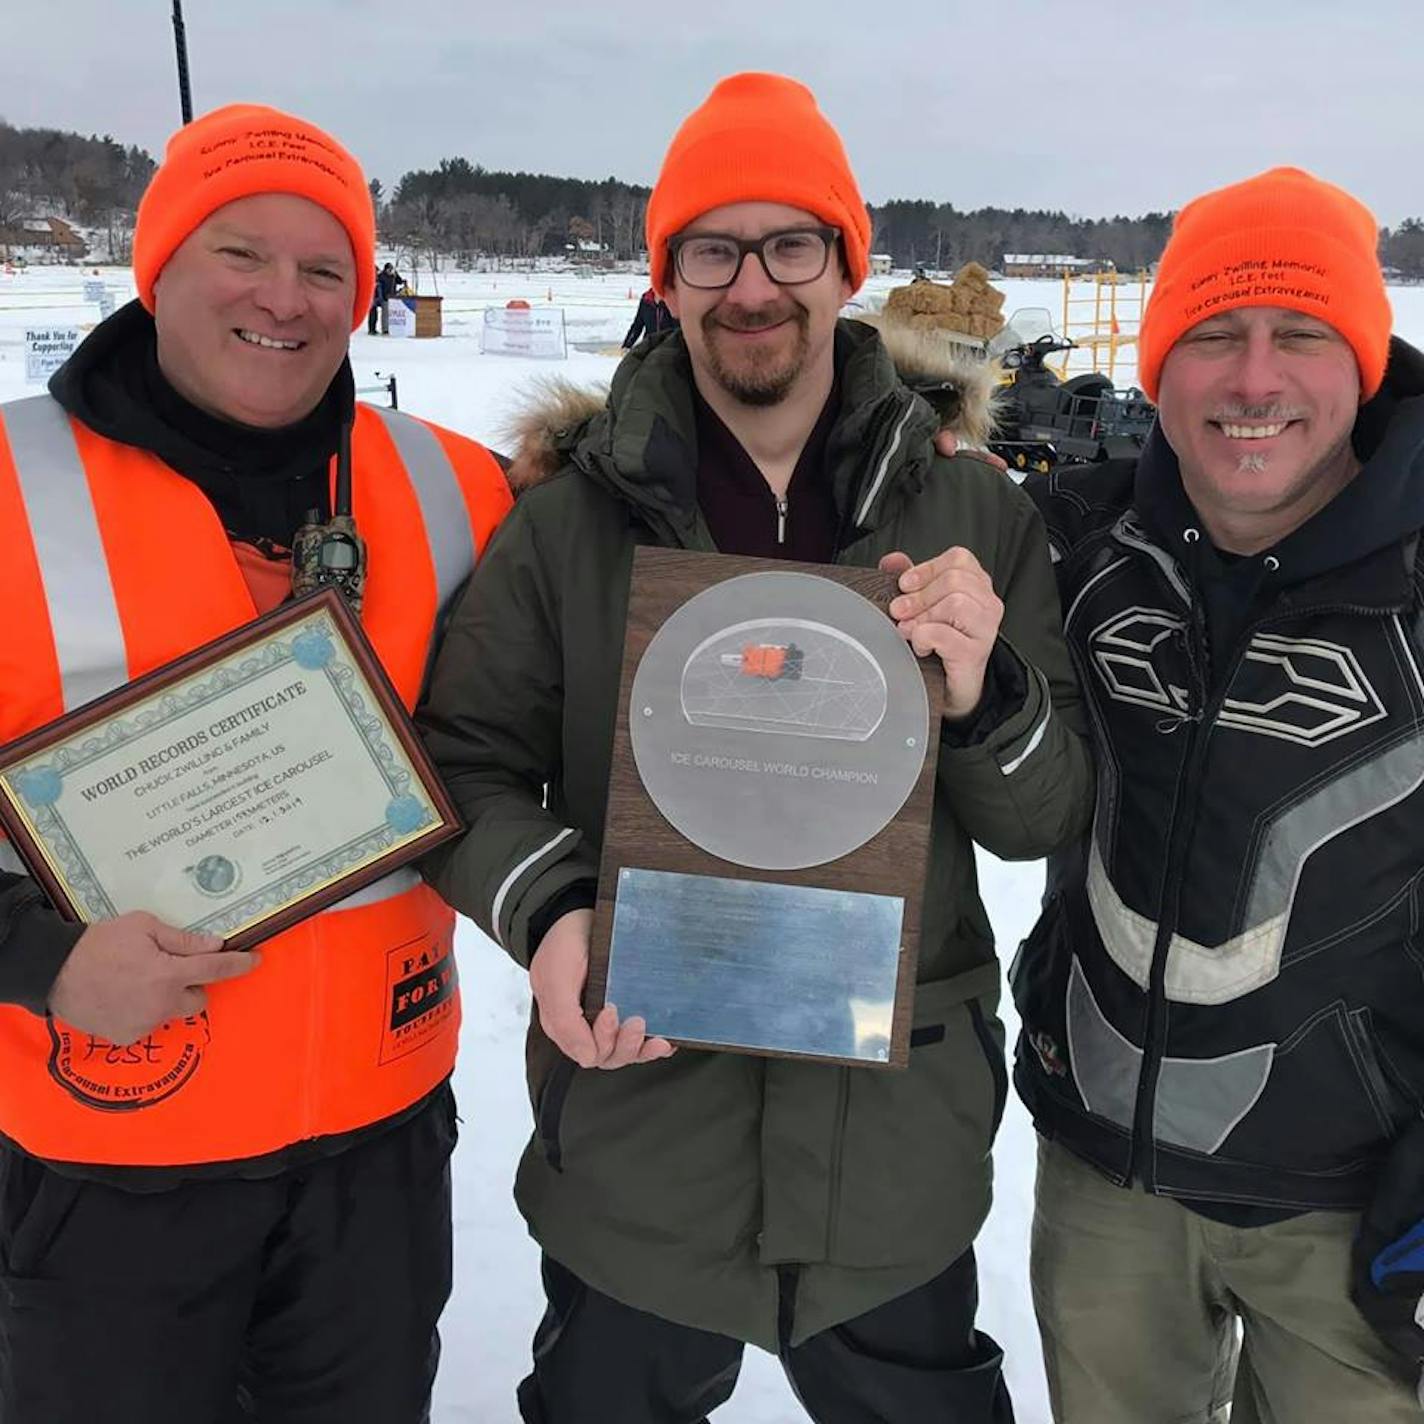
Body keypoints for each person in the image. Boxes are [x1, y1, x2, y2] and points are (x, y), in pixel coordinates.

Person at [419, 71, 1092, 1424]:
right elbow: (461, 766)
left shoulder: (971, 510)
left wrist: (987, 696)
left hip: (891, 1147)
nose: (752, 285)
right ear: (666, 279)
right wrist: (550, 912)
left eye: (792, 244)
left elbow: (1045, 813)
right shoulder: (569, 528)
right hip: (642, 1132)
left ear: (848, 264)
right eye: (710, 250)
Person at [0, 103, 512, 1423]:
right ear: (155, 263)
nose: (283, 297)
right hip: (105, 1161)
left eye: (325, 266)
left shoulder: (461, 487)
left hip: (378, 1152)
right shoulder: (8, 482)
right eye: (241, 252)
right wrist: (38, 959)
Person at [1013, 166, 1424, 1422]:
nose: (1252, 379)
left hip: (1349, 1210)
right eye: (1211, 335)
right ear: (1153, 368)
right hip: (1106, 1188)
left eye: (1299, 334)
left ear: (1359, 360)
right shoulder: (1076, 543)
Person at [622, 283, 678, 348]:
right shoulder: (646, 300)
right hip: (649, 348)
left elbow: (679, 330)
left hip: (668, 349)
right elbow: (637, 325)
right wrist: (627, 345)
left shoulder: (673, 302)